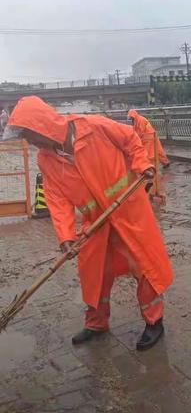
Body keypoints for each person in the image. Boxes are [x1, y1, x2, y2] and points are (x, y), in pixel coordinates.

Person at [3, 96, 174, 350]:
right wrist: (66, 237)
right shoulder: (46, 159)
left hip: (128, 210)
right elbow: (57, 198)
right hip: (95, 222)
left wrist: (142, 164)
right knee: (93, 272)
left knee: (143, 266)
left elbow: (130, 139)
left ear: (43, 126)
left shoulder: (94, 127)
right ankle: (96, 323)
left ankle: (154, 321)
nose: (30, 142)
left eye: (30, 135)